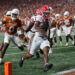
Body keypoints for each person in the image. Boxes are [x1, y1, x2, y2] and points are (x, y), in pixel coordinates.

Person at [19, 5, 53, 72]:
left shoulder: (50, 19)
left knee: (46, 51)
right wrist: (41, 27)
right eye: (45, 13)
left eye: (48, 13)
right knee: (31, 55)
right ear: (41, 12)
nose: (47, 14)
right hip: (37, 38)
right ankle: (22, 58)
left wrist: (49, 39)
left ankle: (46, 65)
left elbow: (48, 30)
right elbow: (35, 27)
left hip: (44, 38)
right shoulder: (39, 18)